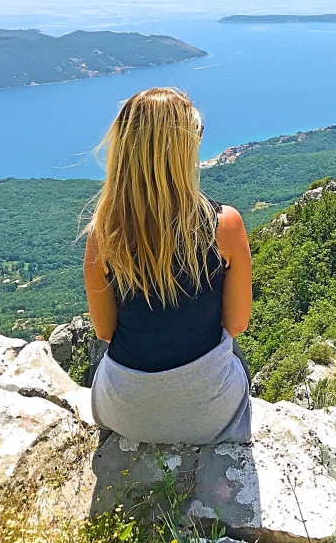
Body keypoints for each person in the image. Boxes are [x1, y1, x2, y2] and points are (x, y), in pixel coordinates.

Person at [83, 87, 253, 444]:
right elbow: (236, 324)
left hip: (124, 413)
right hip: (210, 414)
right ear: (181, 150)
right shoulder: (226, 225)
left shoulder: (103, 234)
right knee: (232, 352)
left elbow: (104, 332)